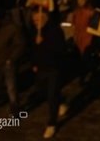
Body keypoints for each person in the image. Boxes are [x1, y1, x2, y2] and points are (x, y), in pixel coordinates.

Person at [24, 8, 67, 139]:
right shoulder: (34, 30)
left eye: (38, 19)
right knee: (43, 91)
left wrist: (44, 42)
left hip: (53, 68)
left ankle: (52, 124)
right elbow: (32, 49)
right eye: (34, 19)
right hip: (40, 68)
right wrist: (33, 64)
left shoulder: (55, 31)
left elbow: (59, 50)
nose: (35, 22)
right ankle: (62, 102)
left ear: (46, 17)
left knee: (52, 95)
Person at [0, 6, 24, 115]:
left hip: (8, 63)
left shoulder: (12, 29)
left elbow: (20, 45)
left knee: (11, 87)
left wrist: (11, 59)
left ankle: (14, 108)